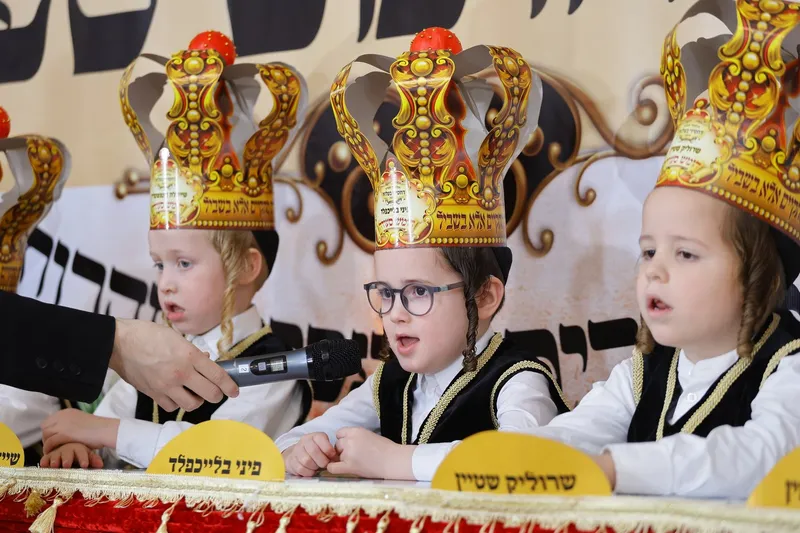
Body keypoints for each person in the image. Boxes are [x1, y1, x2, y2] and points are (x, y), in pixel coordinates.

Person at [531, 0, 800, 499]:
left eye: (686, 254)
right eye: (648, 251)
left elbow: (760, 456)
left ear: (758, 273)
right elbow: (570, 435)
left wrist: (615, 469)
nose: (654, 272)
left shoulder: (789, 366)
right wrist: (517, 459)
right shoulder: (644, 370)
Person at [276, 28, 570, 482]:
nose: (394, 314)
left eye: (417, 292)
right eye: (385, 293)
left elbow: (522, 458)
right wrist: (300, 451)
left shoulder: (517, 378)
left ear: (484, 296)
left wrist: (395, 461)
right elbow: (289, 444)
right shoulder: (390, 381)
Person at [37, 31, 312, 469]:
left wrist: (102, 432)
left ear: (246, 266)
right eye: (159, 265)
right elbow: (100, 434)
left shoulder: (277, 366)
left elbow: (215, 453)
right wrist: (83, 449)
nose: (165, 283)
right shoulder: (156, 354)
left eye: (184, 263)